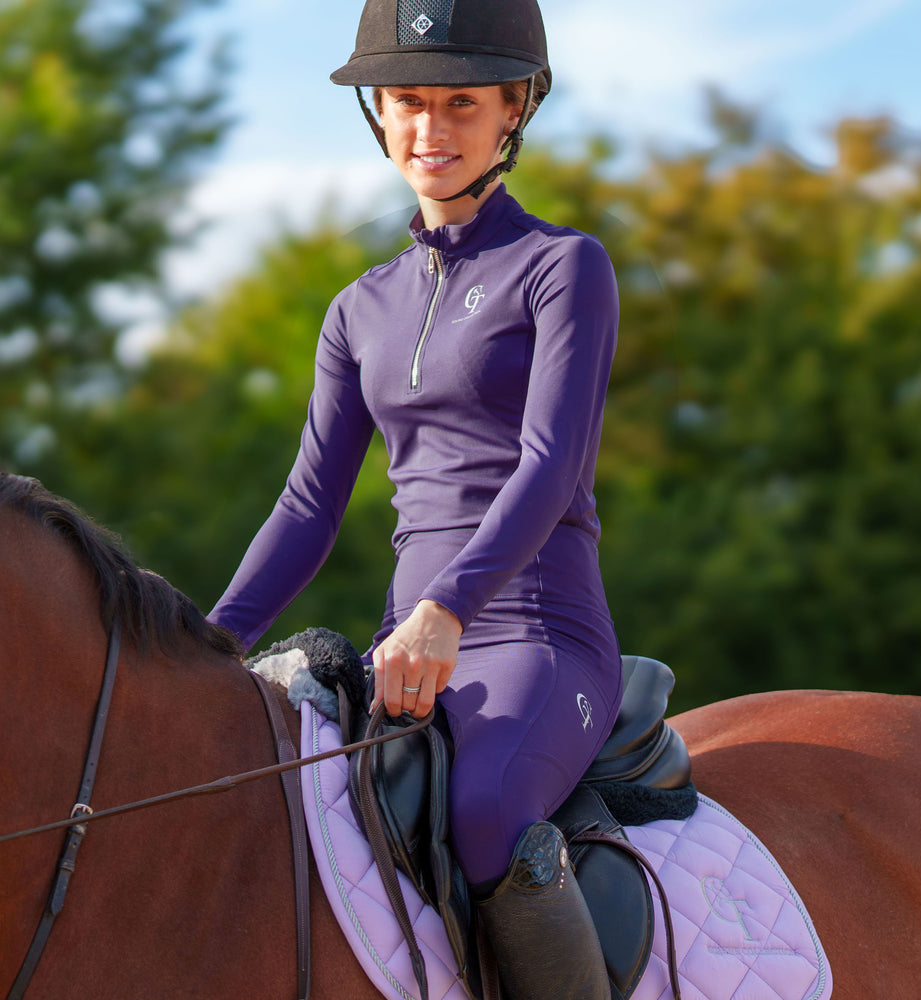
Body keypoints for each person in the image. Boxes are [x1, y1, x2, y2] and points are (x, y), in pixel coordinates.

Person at [209, 1, 623, 996]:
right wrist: (200, 643)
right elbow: (308, 507)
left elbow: (551, 465)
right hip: (403, 656)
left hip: (534, 635)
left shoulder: (562, 268)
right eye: (405, 103)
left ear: (513, 110)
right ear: (378, 114)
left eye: (461, 105)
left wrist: (448, 606)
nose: (429, 131)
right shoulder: (359, 308)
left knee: (482, 813)